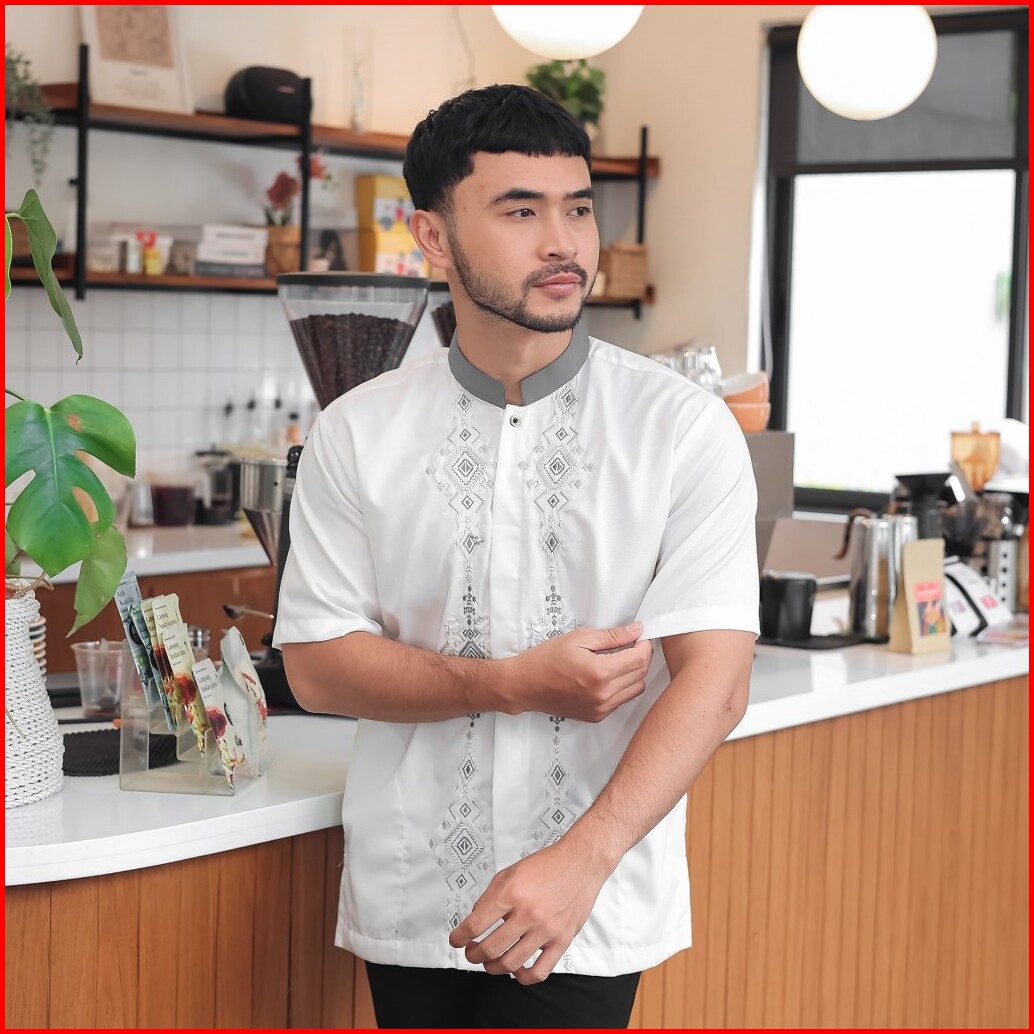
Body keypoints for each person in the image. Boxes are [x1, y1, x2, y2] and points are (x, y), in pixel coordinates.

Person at [273, 84, 759, 1029]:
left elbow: (718, 682)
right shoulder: (355, 432)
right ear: (433, 235)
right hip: (413, 893)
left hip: (591, 901)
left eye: (577, 208)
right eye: (520, 211)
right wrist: (509, 683)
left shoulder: (680, 429)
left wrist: (582, 862)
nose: (563, 243)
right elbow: (318, 668)